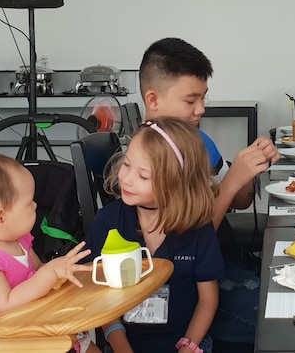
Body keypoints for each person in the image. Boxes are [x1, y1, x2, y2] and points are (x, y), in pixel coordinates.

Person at [138, 37, 279, 346]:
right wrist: (230, 182)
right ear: (153, 100)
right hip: (190, 289)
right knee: (282, 316)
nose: (201, 109)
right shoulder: (146, 163)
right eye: (191, 100)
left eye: (203, 98)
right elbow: (184, 246)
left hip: (223, 261)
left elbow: (240, 201)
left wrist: (249, 168)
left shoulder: (199, 141)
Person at [87, 118, 224, 353]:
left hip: (188, 343)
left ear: (177, 182)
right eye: (126, 164)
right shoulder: (108, 222)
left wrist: (188, 347)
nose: (127, 179)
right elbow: (99, 297)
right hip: (123, 344)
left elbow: (208, 300)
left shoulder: (198, 228)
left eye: (143, 176)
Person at [0, 152, 96, 351]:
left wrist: (59, 271)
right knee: (65, 338)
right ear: (0, 218)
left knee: (77, 335)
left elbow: (37, 270)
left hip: (16, 322)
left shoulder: (16, 239)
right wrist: (50, 273)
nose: (35, 205)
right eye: (29, 202)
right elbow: (4, 304)